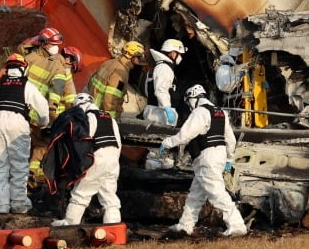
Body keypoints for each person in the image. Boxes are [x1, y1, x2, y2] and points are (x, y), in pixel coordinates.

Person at [160, 84, 247, 237]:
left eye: (189, 102)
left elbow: (185, 135)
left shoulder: (200, 112)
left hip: (207, 157)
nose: (189, 106)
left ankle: (237, 225)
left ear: (193, 98)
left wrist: (167, 142)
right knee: (196, 195)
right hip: (218, 155)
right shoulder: (220, 112)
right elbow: (231, 139)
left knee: (216, 193)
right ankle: (185, 225)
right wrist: (229, 158)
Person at [0, 54, 50, 215]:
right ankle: (19, 204)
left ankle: (0, 206)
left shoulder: (0, 85)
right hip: (18, 122)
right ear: (23, 67)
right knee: (18, 166)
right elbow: (42, 108)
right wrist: (43, 124)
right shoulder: (27, 85)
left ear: (8, 68)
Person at [48, 93, 122, 226]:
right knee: (109, 196)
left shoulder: (87, 118)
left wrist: (79, 166)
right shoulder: (110, 118)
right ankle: (113, 227)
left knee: (81, 194)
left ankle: (70, 225)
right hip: (113, 160)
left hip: (96, 158)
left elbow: (83, 144)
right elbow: (118, 142)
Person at [18, 26, 76, 182]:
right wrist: (52, 112)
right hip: (37, 116)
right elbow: (57, 89)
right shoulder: (55, 64)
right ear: (43, 43)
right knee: (39, 146)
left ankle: (25, 175)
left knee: (26, 146)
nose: (56, 48)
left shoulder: (30, 58)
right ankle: (31, 176)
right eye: (53, 44)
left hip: (23, 112)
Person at [85, 41, 145, 119]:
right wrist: (111, 119)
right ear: (130, 55)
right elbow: (111, 97)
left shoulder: (109, 62)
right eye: (139, 57)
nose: (140, 60)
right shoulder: (121, 73)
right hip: (100, 114)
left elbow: (91, 83)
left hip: (91, 108)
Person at [145, 38, 187, 125]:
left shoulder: (158, 66)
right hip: (160, 114)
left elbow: (147, 90)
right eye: (179, 54)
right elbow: (161, 90)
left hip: (155, 110)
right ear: (173, 53)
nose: (180, 57)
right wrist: (168, 109)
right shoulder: (164, 68)